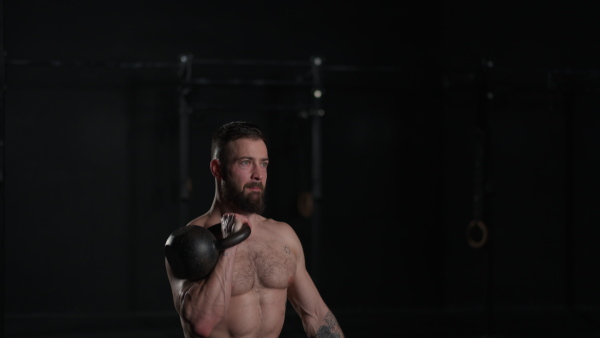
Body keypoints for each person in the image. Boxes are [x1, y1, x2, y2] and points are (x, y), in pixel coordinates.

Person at [166, 121, 344, 338]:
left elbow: (315, 315)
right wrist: (230, 244)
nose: (258, 175)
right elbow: (201, 324)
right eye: (246, 163)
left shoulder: (282, 236)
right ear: (217, 169)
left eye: (264, 164)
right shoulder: (191, 240)